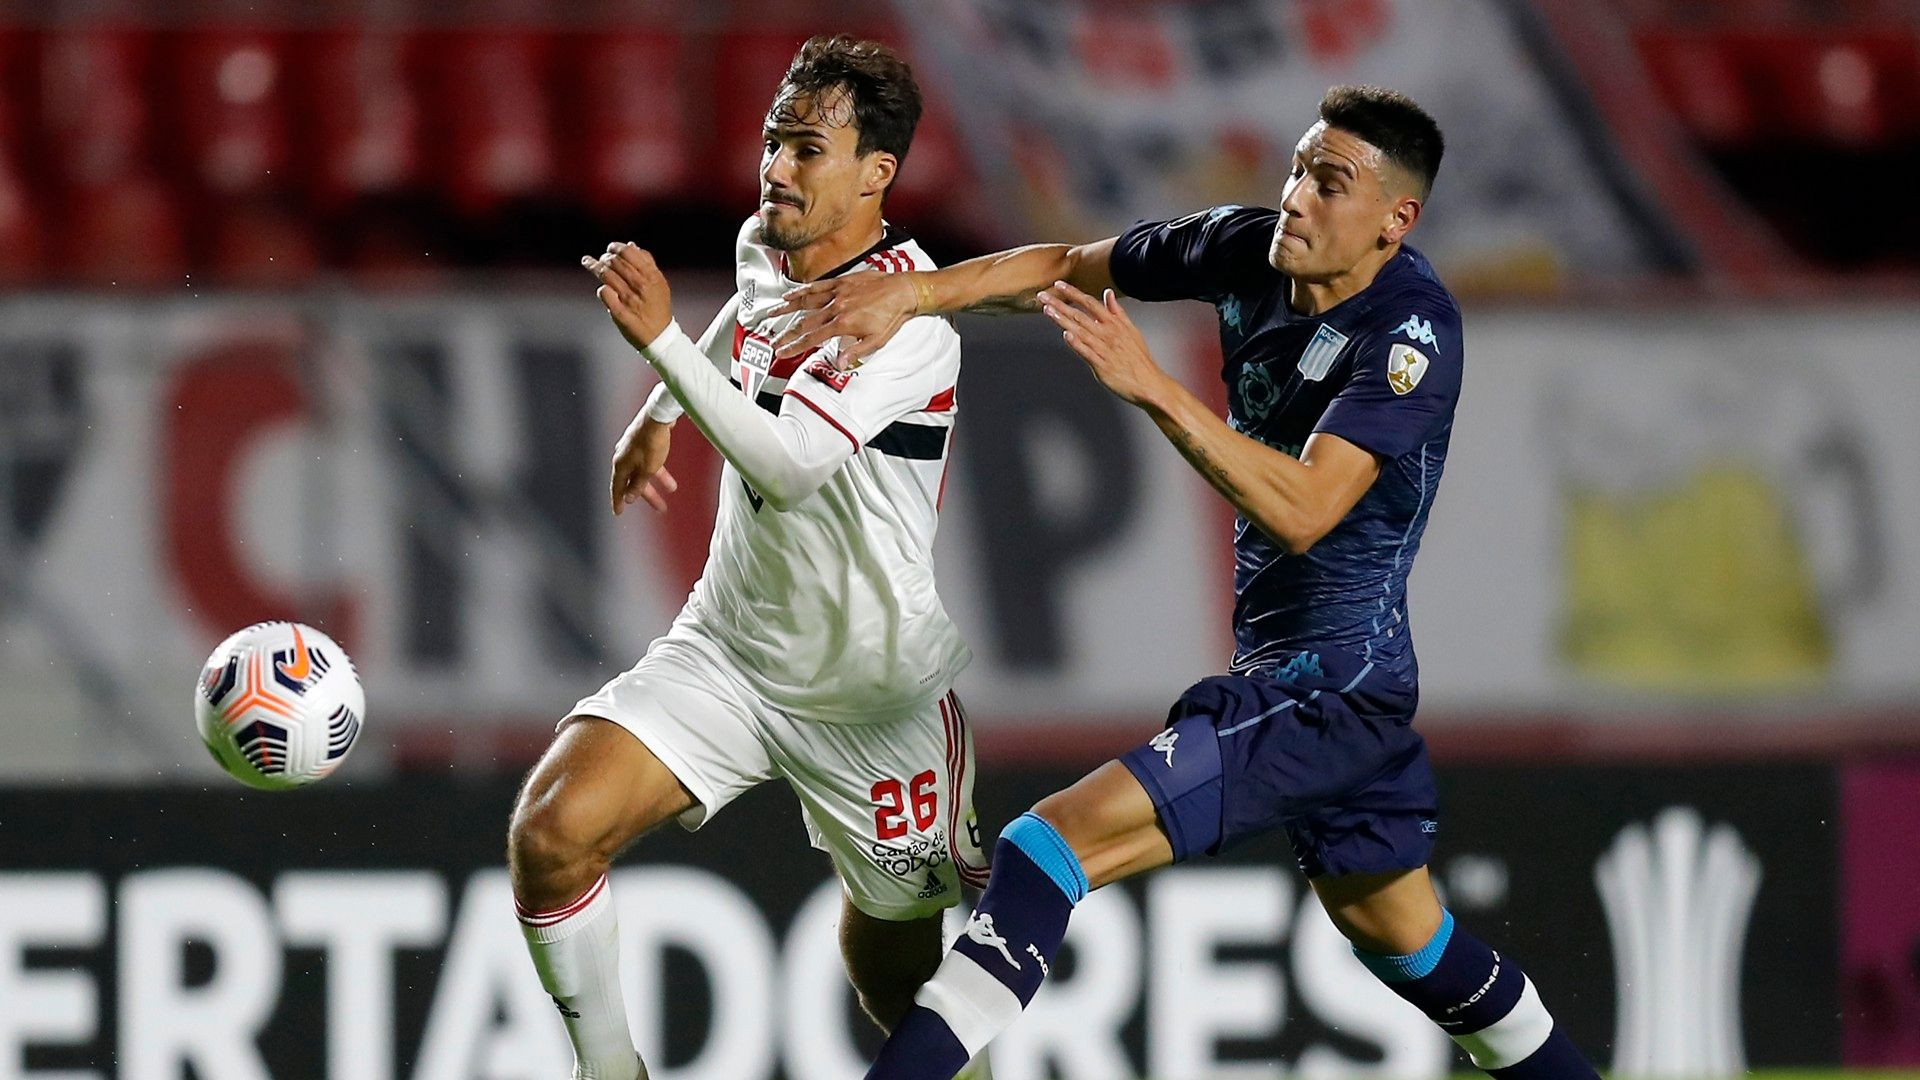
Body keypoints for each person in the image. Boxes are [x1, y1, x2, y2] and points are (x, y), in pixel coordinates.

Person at [771, 84, 1603, 1079]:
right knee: (1407, 943)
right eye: (1297, 168)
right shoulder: (1245, 248)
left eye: (1329, 183)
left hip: (1325, 687)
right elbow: (1063, 266)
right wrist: (912, 294)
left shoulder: (1411, 334)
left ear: (1396, 219)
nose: (1295, 196)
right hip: (1320, 680)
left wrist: (1154, 388)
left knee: (1046, 848)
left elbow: (1307, 509)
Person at [508, 35, 991, 1080]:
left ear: (877, 173)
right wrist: (659, 414)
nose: (776, 167)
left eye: (808, 150)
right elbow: (748, 320)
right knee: (551, 833)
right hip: (730, 648)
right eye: (774, 141)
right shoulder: (765, 247)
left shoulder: (910, 325)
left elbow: (792, 462)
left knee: (898, 976)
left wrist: (659, 346)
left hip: (873, 696)